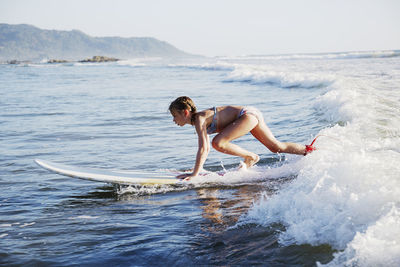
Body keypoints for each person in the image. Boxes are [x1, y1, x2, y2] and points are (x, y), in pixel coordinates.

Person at [169, 96, 315, 180]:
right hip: (250, 113)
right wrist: (197, 169)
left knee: (218, 142)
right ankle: (313, 151)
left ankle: (251, 157)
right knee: (276, 147)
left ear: (185, 112)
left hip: (246, 114)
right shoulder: (198, 121)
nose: (174, 120)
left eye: (175, 116)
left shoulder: (200, 118)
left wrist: (195, 174)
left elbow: (203, 148)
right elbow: (204, 149)